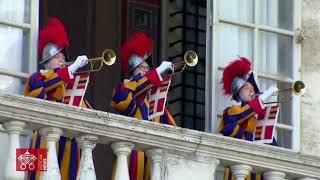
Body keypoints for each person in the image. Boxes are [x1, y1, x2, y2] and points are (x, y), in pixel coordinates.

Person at [24, 18, 89, 180]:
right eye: (57, 56)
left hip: (67, 145)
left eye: (63, 57)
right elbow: (38, 91)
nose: (62, 60)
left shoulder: (69, 84)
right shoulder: (37, 77)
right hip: (39, 140)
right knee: (32, 177)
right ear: (47, 60)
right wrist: (71, 69)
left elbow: (87, 112)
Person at [110, 32, 176, 180]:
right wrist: (156, 74)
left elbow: (170, 126)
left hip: (151, 157)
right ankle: (42, 167)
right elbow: (126, 104)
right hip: (131, 154)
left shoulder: (151, 97)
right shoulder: (123, 88)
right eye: (142, 68)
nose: (147, 71)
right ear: (133, 70)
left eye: (148, 68)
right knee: (44, 165)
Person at [218, 57, 278, 180]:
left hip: (257, 172)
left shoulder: (257, 118)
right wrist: (262, 98)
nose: (251, 91)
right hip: (237, 170)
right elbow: (238, 119)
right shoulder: (231, 111)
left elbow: (271, 145)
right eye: (246, 87)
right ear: (238, 92)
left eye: (252, 89)